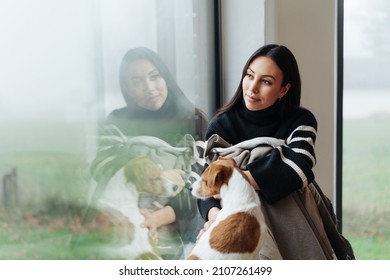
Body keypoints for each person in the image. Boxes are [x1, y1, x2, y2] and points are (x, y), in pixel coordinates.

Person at [197, 44, 326, 259]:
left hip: (291, 224)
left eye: (265, 81)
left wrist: (232, 181)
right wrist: (219, 218)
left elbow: (298, 167)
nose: (252, 87)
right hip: (232, 221)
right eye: (250, 76)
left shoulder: (300, 120)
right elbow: (207, 186)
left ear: (284, 89)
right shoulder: (222, 124)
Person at [89, 47, 208, 259]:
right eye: (137, 82)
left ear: (166, 77)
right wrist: (160, 174)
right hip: (122, 221)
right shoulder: (116, 122)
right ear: (126, 87)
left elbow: (201, 185)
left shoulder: (193, 121)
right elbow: (101, 169)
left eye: (155, 77)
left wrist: (157, 218)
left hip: (177, 227)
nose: (149, 88)